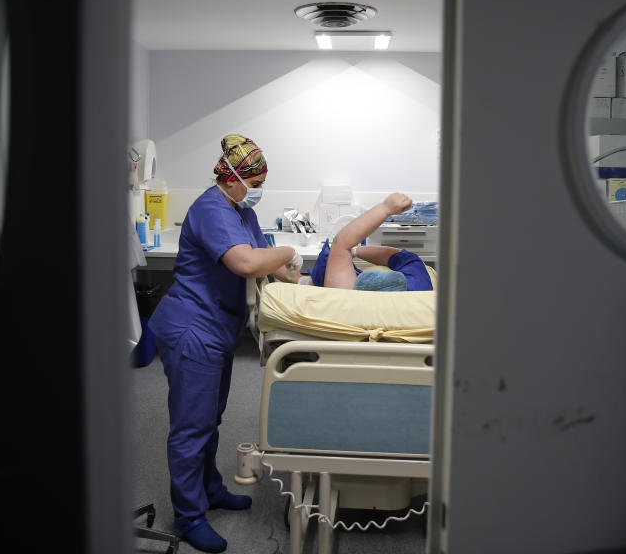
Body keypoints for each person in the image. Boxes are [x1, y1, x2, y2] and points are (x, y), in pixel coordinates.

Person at [147, 134, 302, 553]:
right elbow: (246, 262)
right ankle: (189, 515)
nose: (258, 192)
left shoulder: (238, 209)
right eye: (255, 184)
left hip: (217, 328)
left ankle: (210, 489)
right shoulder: (211, 209)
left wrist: (296, 278)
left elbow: (262, 253)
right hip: (192, 327)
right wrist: (288, 250)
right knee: (191, 427)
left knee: (210, 419)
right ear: (232, 178)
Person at [303, 192, 434, 292]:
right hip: (415, 293)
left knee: (344, 295)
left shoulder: (337, 287)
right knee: (410, 261)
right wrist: (385, 208)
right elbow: (342, 241)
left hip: (350, 304)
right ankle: (386, 297)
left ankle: (373, 298)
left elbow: (342, 244)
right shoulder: (416, 278)